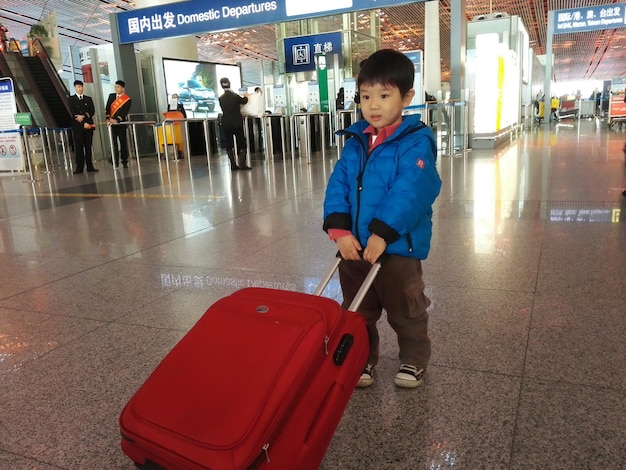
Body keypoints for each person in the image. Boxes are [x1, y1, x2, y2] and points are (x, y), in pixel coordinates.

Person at [323, 49, 442, 389]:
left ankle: (414, 360)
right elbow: (339, 185)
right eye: (365, 96)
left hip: (395, 249)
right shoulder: (355, 141)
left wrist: (383, 234)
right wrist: (340, 230)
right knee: (358, 310)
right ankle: (363, 359)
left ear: (407, 97)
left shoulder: (415, 141)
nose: (373, 105)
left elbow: (412, 190)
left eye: (384, 95)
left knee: (407, 311)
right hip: (355, 247)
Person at [218, 77, 251, 170]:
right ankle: (242, 164)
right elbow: (244, 101)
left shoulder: (221, 98)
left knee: (229, 143)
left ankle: (233, 164)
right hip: (236, 122)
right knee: (242, 142)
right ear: (229, 84)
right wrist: (246, 96)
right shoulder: (235, 96)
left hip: (226, 123)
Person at [69, 80, 98, 173]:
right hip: (78, 128)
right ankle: (79, 167)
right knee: (79, 147)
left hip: (88, 126)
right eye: (78, 87)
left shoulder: (88, 99)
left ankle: (90, 166)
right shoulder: (71, 99)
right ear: (75, 88)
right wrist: (82, 123)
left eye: (81, 87)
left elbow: (92, 111)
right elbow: (73, 113)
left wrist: (84, 117)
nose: (80, 89)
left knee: (88, 146)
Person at [105, 80, 132, 168]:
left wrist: (116, 120)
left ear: (122, 88)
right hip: (111, 124)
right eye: (115, 87)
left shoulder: (127, 99)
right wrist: (108, 119)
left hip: (121, 123)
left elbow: (124, 112)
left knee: (123, 142)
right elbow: (107, 108)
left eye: (118, 87)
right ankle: (114, 160)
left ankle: (124, 160)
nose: (116, 88)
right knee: (113, 142)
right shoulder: (111, 96)